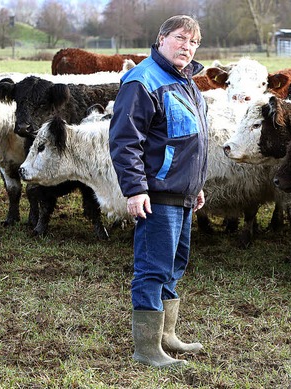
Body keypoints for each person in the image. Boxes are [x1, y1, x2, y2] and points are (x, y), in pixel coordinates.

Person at [108, 15, 208, 368]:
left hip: (181, 194)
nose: (187, 46)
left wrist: (196, 187)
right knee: (153, 268)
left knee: (174, 266)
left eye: (193, 42)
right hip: (156, 193)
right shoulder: (142, 80)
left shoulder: (186, 83)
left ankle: (166, 336)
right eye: (181, 38)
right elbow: (125, 141)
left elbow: (191, 140)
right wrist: (135, 189)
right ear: (161, 38)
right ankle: (147, 349)